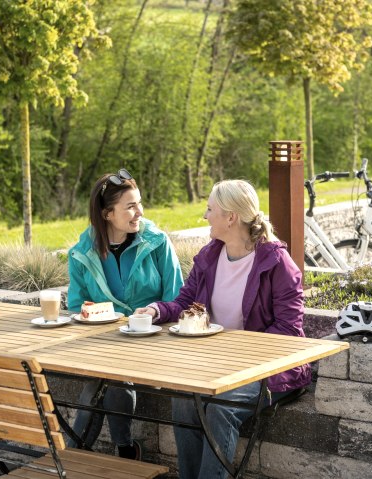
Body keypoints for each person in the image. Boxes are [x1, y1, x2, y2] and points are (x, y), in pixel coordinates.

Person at [135, 179, 311, 478]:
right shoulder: (210, 256)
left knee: (220, 407)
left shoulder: (277, 263)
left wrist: (235, 353)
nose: (205, 216)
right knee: (184, 399)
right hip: (218, 367)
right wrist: (156, 310)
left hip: (270, 370)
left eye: (209, 209)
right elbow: (185, 302)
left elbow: (289, 332)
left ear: (231, 217)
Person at [67, 168, 184, 460]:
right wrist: (91, 312)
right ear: (107, 214)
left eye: (139, 203)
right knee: (105, 375)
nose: (139, 212)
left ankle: (73, 457)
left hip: (154, 341)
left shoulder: (157, 243)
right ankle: (123, 451)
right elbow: (76, 305)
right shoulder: (82, 252)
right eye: (130, 206)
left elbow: (178, 298)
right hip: (106, 343)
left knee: (105, 378)